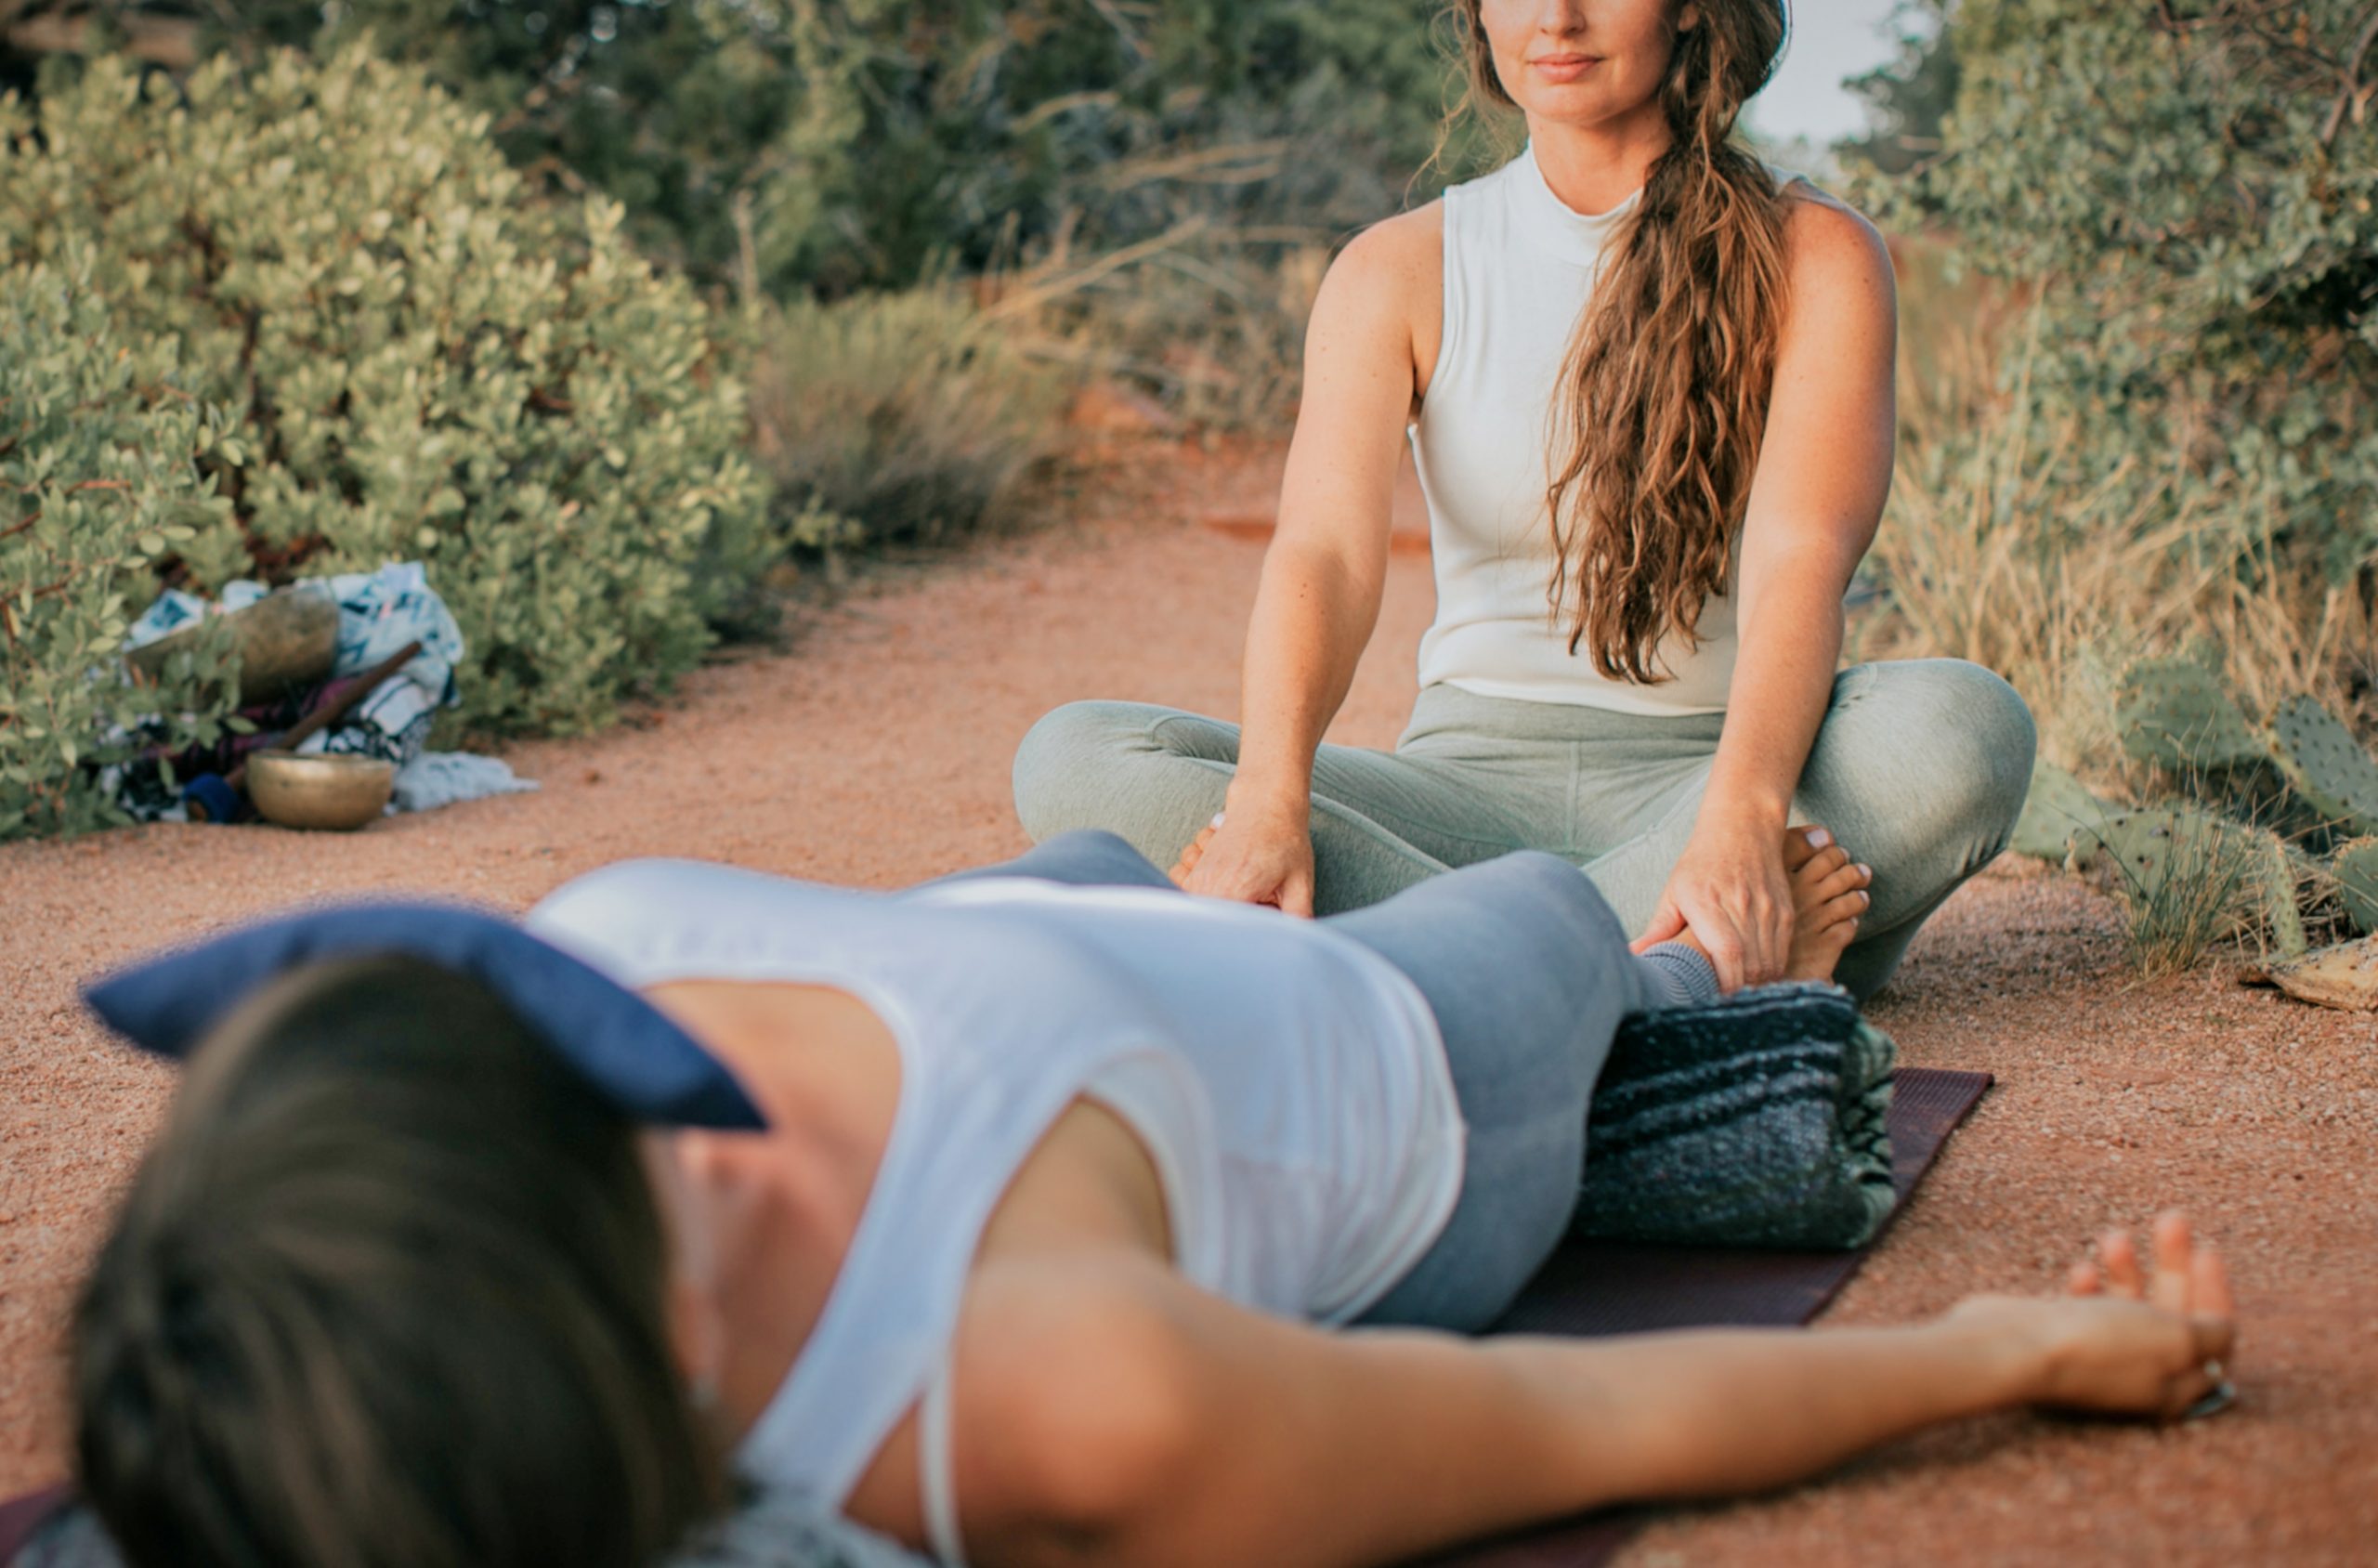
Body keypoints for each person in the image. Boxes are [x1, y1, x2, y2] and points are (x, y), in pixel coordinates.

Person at [72, 832, 2233, 1568]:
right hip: (1377, 1066)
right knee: (1560, 919)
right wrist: (2010, 1345)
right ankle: (1690, 985)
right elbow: (1574, 1432)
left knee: (1102, 851)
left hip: (1043, 945)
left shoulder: (388, 1139)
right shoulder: (1056, 1399)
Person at [1011, 0, 2037, 1000]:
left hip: (1715, 769)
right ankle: (1680, 965)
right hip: (1456, 794)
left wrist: (1741, 815)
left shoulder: (1817, 255)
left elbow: (1801, 553)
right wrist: (1270, 803)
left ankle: (1432, 959)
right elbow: (1324, 551)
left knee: (1964, 725)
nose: (1557, 17)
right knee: (1073, 754)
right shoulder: (1396, 269)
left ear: (1689, 9)